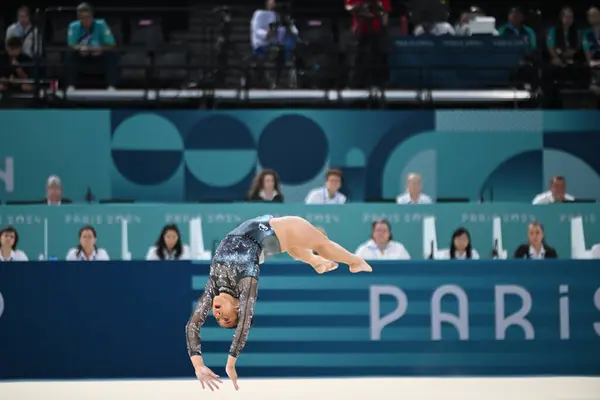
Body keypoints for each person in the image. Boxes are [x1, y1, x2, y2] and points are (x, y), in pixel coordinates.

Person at [185, 215, 372, 390]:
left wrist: (198, 365)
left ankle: (315, 261)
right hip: (274, 233)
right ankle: (354, 261)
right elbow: (244, 323)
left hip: (269, 235)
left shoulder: (213, 288)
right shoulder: (246, 281)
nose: (217, 315)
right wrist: (231, 362)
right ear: (237, 307)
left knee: (297, 244)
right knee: (321, 243)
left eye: (217, 318)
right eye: (226, 319)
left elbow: (192, 325)